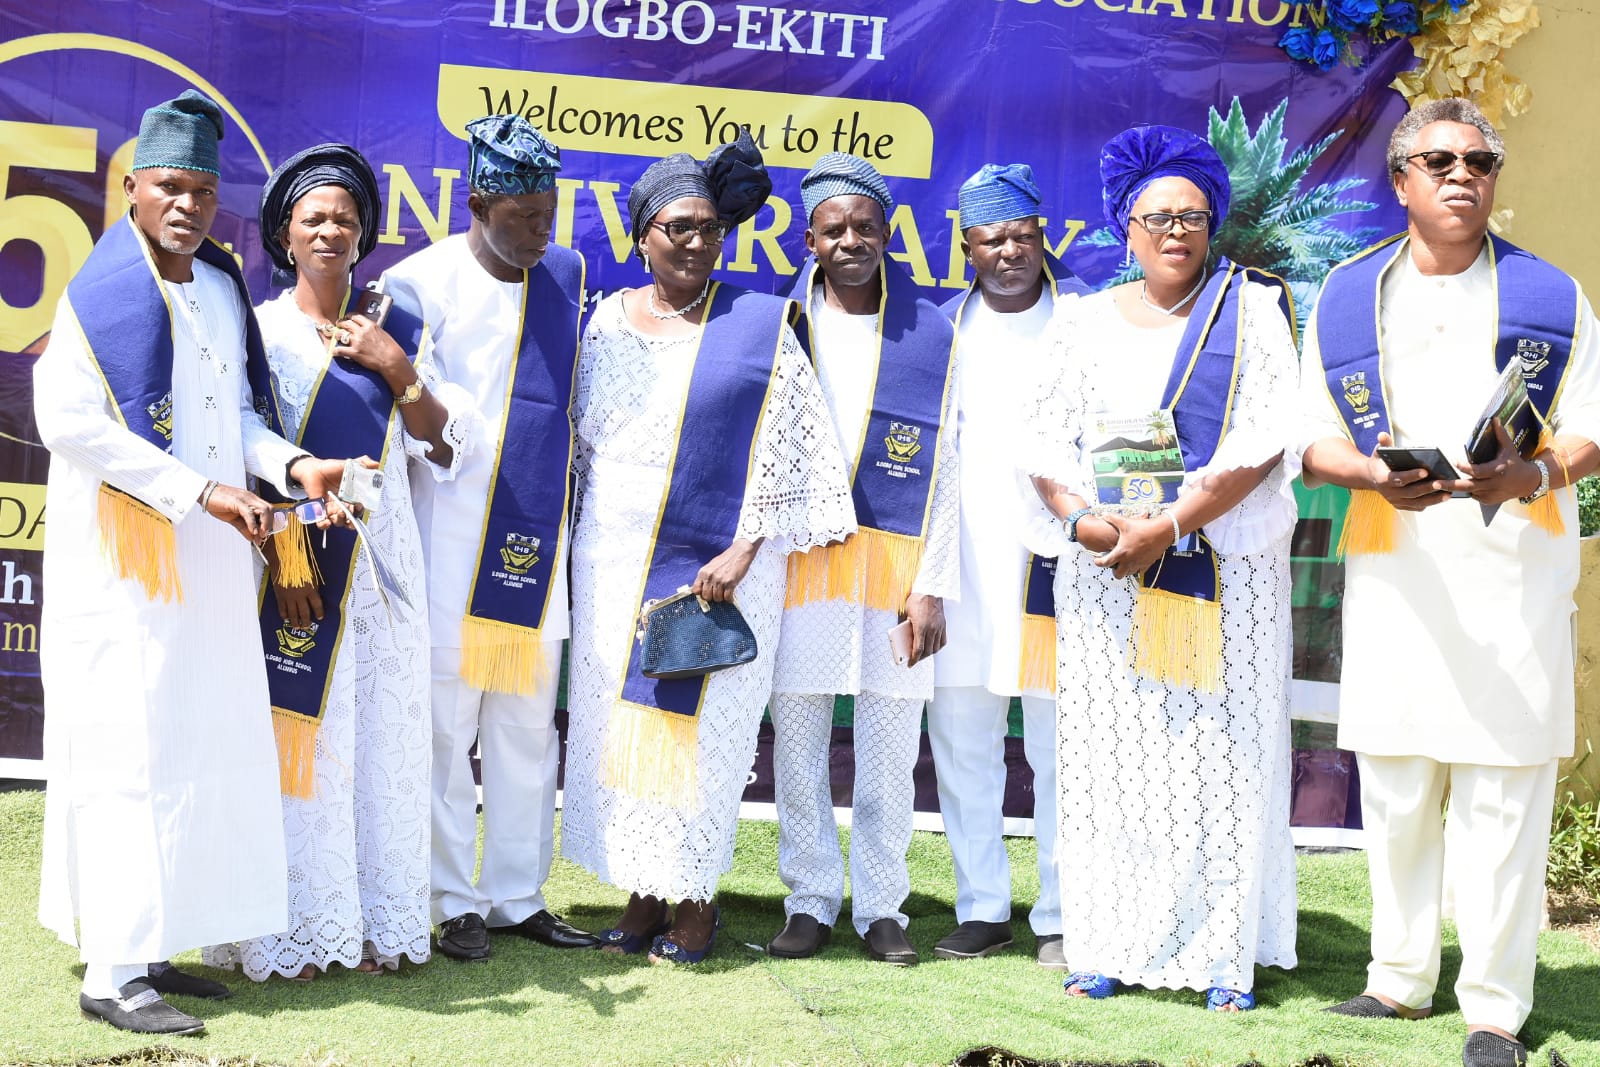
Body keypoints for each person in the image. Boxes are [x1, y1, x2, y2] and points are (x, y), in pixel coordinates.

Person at [33, 91, 351, 1035]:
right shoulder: (96, 297)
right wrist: (194, 489)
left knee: (199, 746)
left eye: (203, 191)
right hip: (128, 568)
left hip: (212, 562)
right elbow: (65, 421)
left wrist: (292, 464)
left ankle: (157, 942)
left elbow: (238, 415)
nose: (187, 205)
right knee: (131, 753)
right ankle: (113, 972)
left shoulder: (218, 286)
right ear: (133, 188)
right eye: (169, 187)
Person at [1298, 98, 1600, 1067]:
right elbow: (1310, 438)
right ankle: (1397, 978)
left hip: (1513, 578)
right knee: (1394, 788)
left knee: (1501, 803)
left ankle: (1495, 1009)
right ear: (1401, 182)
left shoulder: (1552, 296)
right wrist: (1369, 472)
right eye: (1439, 160)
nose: (1462, 174)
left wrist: (1534, 474)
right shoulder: (1348, 295)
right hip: (1398, 575)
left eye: (1480, 159)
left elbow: (1590, 427)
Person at [1021, 125, 1298, 1010]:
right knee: (1114, 762)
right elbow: (1042, 440)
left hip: (1224, 572)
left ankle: (1220, 956)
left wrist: (1169, 525)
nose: (1177, 231)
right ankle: (1108, 940)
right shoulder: (1079, 321)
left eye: (1192, 216)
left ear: (1212, 224)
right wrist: (1085, 519)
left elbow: (1262, 440)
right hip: (1107, 574)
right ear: (1125, 229)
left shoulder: (1250, 314)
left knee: (1220, 758)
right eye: (1158, 218)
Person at [560, 132, 853, 964]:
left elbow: (799, 447)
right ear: (641, 236)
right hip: (613, 561)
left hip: (722, 566)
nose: (696, 242)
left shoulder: (757, 326)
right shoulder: (604, 322)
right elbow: (580, 441)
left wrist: (747, 545)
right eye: (678, 227)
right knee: (622, 726)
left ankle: (695, 898)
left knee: (703, 732)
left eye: (709, 228)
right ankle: (643, 891)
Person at [204, 144, 474, 981]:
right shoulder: (260, 330)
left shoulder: (393, 330)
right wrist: (285, 554)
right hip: (294, 560)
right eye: (313, 218)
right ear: (285, 234)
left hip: (384, 566)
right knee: (301, 742)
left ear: (363, 235)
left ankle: (367, 927)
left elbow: (446, 448)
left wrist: (396, 369)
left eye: (345, 219)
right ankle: (292, 933)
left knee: (380, 743)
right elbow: (245, 446)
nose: (330, 230)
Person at [381, 116, 597, 961]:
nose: (542, 231)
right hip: (450, 546)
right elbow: (416, 426)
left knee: (528, 731)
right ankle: (449, 897)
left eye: (550, 213)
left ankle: (515, 894)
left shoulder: (564, 276)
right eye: (523, 216)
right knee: (445, 734)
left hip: (537, 551)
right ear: (476, 203)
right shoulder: (416, 283)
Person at [766, 153, 960, 967]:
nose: (851, 239)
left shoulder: (931, 331)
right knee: (798, 742)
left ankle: (883, 906)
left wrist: (932, 585)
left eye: (865, 226)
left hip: (894, 572)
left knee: (888, 749)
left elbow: (949, 464)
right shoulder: (779, 326)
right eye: (834, 228)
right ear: (809, 240)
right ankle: (809, 899)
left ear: (887, 233)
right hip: (801, 566)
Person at [927, 163, 1089, 967]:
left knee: (1060, 749)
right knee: (963, 738)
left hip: (1057, 566)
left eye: (1023, 236)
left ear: (1042, 237)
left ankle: (1061, 913)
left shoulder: (1086, 324)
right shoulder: (939, 331)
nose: (1011, 252)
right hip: (960, 568)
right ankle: (983, 906)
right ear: (968, 248)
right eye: (993, 240)